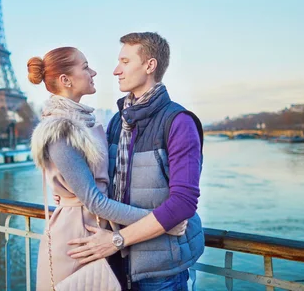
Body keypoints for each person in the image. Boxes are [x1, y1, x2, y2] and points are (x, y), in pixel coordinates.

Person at [27, 47, 185, 291]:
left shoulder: (87, 123)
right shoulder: (60, 131)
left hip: (100, 232)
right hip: (79, 239)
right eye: (85, 66)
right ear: (65, 80)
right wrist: (164, 222)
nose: (94, 72)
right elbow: (95, 202)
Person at [66, 32, 205, 290]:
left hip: (160, 271)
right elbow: (103, 181)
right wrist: (70, 192)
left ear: (150, 65)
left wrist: (118, 239)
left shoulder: (179, 122)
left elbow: (183, 203)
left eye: (125, 62)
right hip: (118, 265)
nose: (116, 70)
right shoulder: (118, 122)